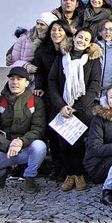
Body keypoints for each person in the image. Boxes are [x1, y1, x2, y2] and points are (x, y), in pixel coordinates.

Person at [0, 67, 46, 194]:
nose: (15, 82)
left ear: (27, 83)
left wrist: (21, 142)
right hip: (2, 150)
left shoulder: (36, 102)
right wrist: (8, 145)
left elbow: (38, 128)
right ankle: (2, 172)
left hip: (25, 149)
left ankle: (29, 177)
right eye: (12, 79)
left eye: (19, 79)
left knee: (40, 146)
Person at [48, 28, 102, 192]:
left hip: (81, 109)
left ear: (89, 44)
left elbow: (94, 85)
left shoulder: (92, 61)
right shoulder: (62, 58)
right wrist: (61, 105)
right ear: (74, 38)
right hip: (61, 108)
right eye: (80, 37)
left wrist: (76, 107)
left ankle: (79, 175)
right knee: (62, 144)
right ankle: (68, 175)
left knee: (78, 144)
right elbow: (52, 81)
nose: (82, 41)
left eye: (86, 39)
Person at [32, 19, 73, 180]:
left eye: (60, 30)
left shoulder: (71, 49)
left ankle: (68, 167)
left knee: (67, 134)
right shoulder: (43, 50)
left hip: (69, 95)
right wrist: (39, 86)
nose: (56, 33)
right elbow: (39, 71)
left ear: (66, 32)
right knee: (53, 132)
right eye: (53, 30)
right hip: (51, 95)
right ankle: (57, 166)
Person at [96, 20, 112, 99]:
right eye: (105, 29)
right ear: (100, 32)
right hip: (93, 93)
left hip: (110, 94)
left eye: (111, 29)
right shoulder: (94, 47)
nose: (108, 32)